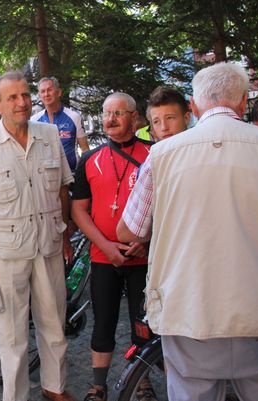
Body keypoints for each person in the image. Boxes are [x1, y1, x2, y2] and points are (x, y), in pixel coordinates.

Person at [118, 62, 258, 401]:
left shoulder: (161, 156)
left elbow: (129, 231)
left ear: (194, 108)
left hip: (189, 310)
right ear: (243, 103)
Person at [0, 72, 76, 401]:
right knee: (12, 335)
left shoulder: (50, 134)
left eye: (25, 95)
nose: (22, 102)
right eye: (12, 97)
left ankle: (55, 388)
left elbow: (62, 189)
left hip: (49, 245)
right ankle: (16, 397)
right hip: (7, 252)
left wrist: (65, 232)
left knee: (54, 325)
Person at [71, 92, 153, 401]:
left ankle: (142, 383)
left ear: (134, 118)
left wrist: (146, 239)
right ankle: (98, 386)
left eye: (119, 113)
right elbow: (78, 210)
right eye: (107, 113)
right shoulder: (89, 159)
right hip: (103, 256)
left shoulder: (154, 154)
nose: (112, 119)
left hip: (142, 257)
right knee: (102, 322)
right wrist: (105, 245)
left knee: (142, 324)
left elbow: (169, 205)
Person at [32, 76, 89, 171]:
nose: (46, 94)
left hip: (73, 175)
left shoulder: (74, 117)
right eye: (42, 91)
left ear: (59, 92)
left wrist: (82, 173)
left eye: (49, 90)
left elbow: (85, 149)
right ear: (39, 95)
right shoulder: (34, 120)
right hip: (46, 177)